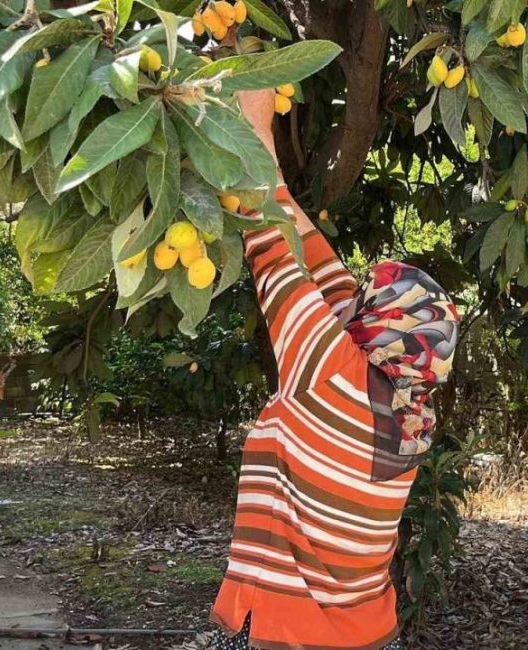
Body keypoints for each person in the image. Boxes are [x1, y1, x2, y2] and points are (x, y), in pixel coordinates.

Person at [207, 89, 460, 650]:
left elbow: (275, 255)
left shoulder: (334, 377)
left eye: (370, 302)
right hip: (370, 633)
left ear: (374, 334)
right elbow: (321, 272)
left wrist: (255, 125)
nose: (357, 298)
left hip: (288, 635)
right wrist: (278, 179)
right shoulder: (405, 399)